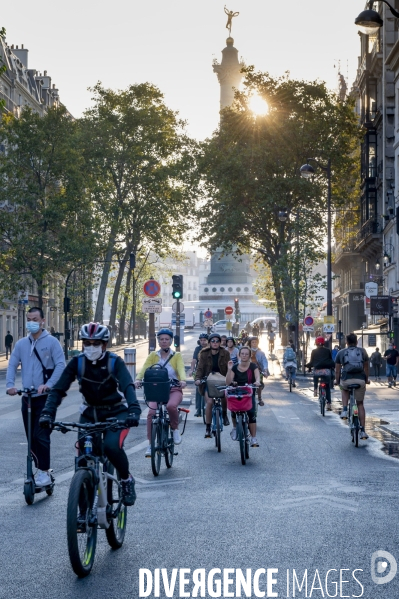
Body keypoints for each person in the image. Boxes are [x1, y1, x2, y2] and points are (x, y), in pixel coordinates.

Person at [39, 322, 139, 505]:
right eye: (87, 343)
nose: (91, 347)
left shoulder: (114, 362)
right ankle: (83, 512)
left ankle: (126, 480)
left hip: (116, 412)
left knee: (111, 446)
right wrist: (47, 413)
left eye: (96, 343)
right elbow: (58, 390)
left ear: (104, 345)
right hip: (89, 413)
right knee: (83, 459)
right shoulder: (77, 363)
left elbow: (127, 386)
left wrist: (134, 409)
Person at [6, 307, 65, 488]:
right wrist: (10, 386)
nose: (31, 322)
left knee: (41, 435)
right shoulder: (22, 344)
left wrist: (49, 384)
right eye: (29, 319)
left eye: (35, 319)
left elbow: (61, 365)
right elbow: (12, 364)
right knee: (31, 436)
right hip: (28, 397)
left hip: (45, 397)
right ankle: (39, 469)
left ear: (42, 321)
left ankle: (44, 472)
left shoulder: (52, 342)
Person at [135, 328, 186, 456]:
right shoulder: (153, 355)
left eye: (166, 339)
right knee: (151, 413)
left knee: (171, 406)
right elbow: (145, 368)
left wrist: (183, 380)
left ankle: (174, 429)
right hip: (157, 390)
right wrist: (138, 379)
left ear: (170, 341)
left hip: (173, 388)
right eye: (162, 339)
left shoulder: (177, 355)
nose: (164, 341)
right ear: (158, 341)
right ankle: (151, 444)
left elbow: (181, 368)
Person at [195, 332, 230, 438]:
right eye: (213, 341)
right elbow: (200, 368)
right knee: (209, 402)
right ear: (209, 343)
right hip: (208, 380)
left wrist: (231, 379)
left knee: (224, 396)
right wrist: (197, 379)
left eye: (217, 341)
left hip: (222, 380)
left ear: (220, 342)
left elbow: (229, 368)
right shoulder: (204, 353)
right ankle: (208, 428)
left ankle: (224, 414)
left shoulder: (225, 353)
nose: (215, 343)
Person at [335, 333, 369, 440]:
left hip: (346, 380)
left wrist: (337, 381)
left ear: (347, 342)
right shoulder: (362, 351)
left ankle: (344, 409)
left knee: (343, 387)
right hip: (360, 380)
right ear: (356, 342)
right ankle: (363, 431)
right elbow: (366, 368)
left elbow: (337, 370)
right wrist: (366, 379)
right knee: (360, 404)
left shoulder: (341, 352)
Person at [226, 346, 261, 447]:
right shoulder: (234, 366)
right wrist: (229, 370)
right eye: (242, 354)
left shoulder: (253, 366)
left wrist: (257, 381)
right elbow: (228, 382)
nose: (244, 355)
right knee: (233, 410)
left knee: (251, 414)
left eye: (246, 354)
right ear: (239, 355)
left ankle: (253, 438)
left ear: (250, 356)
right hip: (236, 392)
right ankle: (235, 427)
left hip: (249, 393)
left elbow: (257, 376)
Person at [306, 336, 335, 408]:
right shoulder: (327, 350)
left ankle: (315, 389)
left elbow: (311, 362)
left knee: (315, 377)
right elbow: (330, 360)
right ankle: (328, 403)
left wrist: (309, 368)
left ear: (316, 343)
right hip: (326, 371)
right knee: (327, 386)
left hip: (317, 371)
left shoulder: (314, 351)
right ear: (323, 343)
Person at [189, 333, 209, 417]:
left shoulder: (211, 348)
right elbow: (194, 360)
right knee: (198, 389)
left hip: (209, 371)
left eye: (204, 340)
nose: (203, 342)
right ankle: (198, 410)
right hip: (199, 371)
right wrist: (192, 370)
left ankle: (208, 407)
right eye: (201, 340)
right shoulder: (197, 349)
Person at [246, 337, 269, 403]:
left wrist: (265, 370)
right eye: (253, 342)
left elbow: (265, 361)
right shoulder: (247, 351)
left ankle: (259, 398)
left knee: (259, 383)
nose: (254, 344)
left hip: (259, 370)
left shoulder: (261, 353)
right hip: (248, 370)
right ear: (250, 343)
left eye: (255, 342)